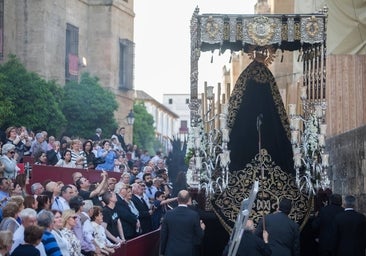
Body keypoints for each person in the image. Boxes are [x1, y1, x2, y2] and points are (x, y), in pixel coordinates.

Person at [160, 190, 205, 256]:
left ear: (177, 200)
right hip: (188, 251)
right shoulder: (194, 215)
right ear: (189, 200)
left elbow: (164, 235)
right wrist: (202, 228)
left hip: (171, 251)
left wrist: (162, 251)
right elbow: (199, 235)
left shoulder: (168, 214)